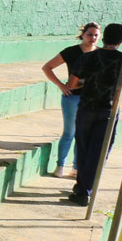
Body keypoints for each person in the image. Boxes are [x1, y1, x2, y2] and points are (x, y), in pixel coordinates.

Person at [67, 23, 122, 206]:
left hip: (86, 107)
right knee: (99, 151)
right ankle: (85, 189)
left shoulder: (87, 57)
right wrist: (116, 81)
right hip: (108, 109)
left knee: (83, 148)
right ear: (121, 41)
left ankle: (82, 188)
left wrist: (87, 81)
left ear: (104, 37)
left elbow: (72, 84)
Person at [42, 22, 100, 178]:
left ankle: (76, 167)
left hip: (91, 98)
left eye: (96, 35)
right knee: (69, 132)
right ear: (83, 35)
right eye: (89, 34)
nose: (93, 38)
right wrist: (61, 85)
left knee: (83, 133)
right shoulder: (71, 52)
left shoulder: (100, 54)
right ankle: (60, 165)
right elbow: (47, 67)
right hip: (72, 96)